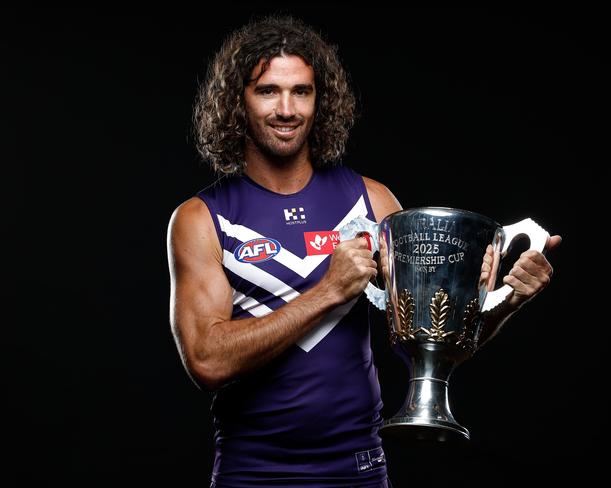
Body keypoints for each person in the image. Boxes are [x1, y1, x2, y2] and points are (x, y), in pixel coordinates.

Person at [166, 15, 561, 488]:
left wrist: (507, 302)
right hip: (251, 472)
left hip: (358, 469)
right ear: (238, 101)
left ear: (321, 99)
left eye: (303, 91)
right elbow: (206, 362)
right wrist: (328, 291)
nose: (287, 109)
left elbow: (432, 347)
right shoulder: (201, 218)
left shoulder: (372, 203)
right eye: (268, 90)